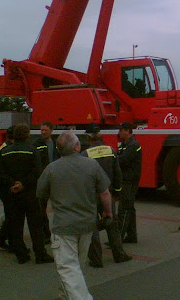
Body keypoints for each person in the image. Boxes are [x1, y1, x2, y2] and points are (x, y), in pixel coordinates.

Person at [37, 131, 112, 300]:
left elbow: (40, 193)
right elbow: (105, 193)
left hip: (63, 226)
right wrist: (108, 212)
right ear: (77, 146)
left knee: (68, 267)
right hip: (87, 224)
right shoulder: (92, 165)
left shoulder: (51, 168)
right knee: (77, 265)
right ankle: (64, 295)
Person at [0, 123, 53, 265]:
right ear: (27, 135)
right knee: (35, 225)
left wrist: (13, 183)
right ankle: (40, 254)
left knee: (16, 225)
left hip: (12, 194)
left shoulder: (4, 152)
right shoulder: (33, 151)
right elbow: (37, 172)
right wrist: (23, 184)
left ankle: (21, 255)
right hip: (30, 194)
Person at [81, 124, 132, 266]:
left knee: (92, 226)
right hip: (108, 194)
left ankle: (96, 259)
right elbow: (118, 174)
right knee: (112, 223)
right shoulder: (111, 150)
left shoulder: (85, 155)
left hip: (91, 196)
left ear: (88, 138)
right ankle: (119, 255)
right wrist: (116, 192)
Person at [33, 121, 60, 244]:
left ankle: (59, 232)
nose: (43, 132)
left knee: (58, 207)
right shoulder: (36, 144)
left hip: (55, 180)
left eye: (45, 130)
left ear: (51, 131)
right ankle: (45, 234)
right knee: (41, 208)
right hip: (43, 180)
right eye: (42, 130)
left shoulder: (57, 144)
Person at [117, 122, 142, 243]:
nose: (119, 132)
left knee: (124, 208)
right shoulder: (126, 143)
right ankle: (132, 235)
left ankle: (118, 238)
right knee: (130, 207)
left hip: (129, 180)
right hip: (128, 179)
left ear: (127, 131)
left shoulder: (132, 145)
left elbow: (123, 160)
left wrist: (111, 159)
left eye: (121, 130)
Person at [0, 125, 15, 250]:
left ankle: (3, 240)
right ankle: (2, 240)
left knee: (11, 216)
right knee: (11, 216)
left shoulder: (4, 147)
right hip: (6, 187)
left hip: (4, 186)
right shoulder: (7, 148)